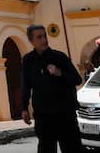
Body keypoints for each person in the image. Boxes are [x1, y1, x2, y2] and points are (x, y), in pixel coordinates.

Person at [20, 24, 84, 153]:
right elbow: (25, 85)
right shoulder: (28, 60)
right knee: (46, 148)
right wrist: (24, 108)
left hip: (65, 115)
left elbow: (77, 79)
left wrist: (60, 73)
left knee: (72, 148)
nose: (44, 40)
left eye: (45, 36)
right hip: (43, 116)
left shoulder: (59, 57)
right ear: (31, 41)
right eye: (39, 37)